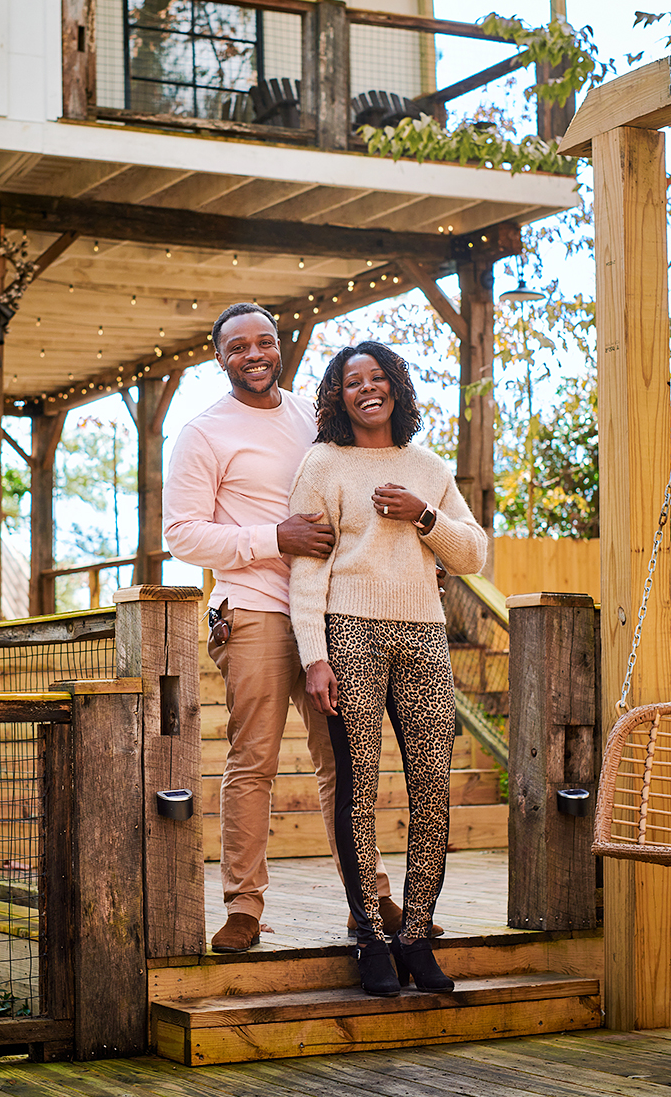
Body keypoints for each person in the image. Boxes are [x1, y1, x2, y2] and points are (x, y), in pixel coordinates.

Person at [162, 303, 404, 954]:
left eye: (265, 341)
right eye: (238, 346)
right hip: (256, 612)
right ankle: (244, 907)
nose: (255, 353)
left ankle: (371, 903)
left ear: (280, 347)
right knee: (254, 763)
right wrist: (276, 537)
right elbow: (180, 533)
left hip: (330, 614)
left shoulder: (315, 417)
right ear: (221, 358)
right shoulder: (203, 432)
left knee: (343, 765)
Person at [289, 340, 487, 997]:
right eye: (353, 381)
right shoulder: (323, 462)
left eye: (378, 378)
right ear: (338, 396)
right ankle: (370, 938)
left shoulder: (426, 467)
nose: (367, 388)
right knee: (360, 788)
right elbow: (308, 566)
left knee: (433, 788)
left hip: (424, 638)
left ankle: (415, 937)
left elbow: (473, 555)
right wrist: (314, 656)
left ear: (396, 388)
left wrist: (423, 515)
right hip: (351, 634)